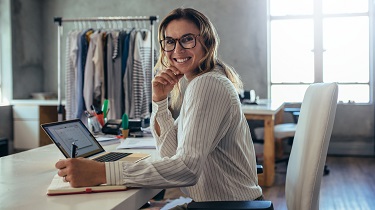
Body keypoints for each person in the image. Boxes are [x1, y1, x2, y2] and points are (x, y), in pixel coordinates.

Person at [55, 7, 263, 206]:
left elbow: (186, 169)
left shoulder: (207, 84)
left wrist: (102, 172)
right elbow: (170, 154)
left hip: (226, 207)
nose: (177, 49)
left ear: (206, 42)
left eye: (187, 39)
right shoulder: (203, 82)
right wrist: (160, 101)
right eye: (170, 42)